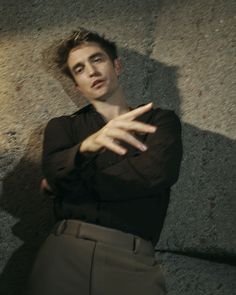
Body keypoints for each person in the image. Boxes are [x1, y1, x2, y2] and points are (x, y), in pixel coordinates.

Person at [28, 28, 182, 295]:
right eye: (79, 68)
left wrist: (67, 184)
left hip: (133, 259)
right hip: (66, 252)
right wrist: (87, 146)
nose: (91, 71)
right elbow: (54, 170)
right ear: (76, 85)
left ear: (117, 65)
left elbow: (154, 174)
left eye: (97, 59)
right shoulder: (63, 127)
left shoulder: (159, 120)